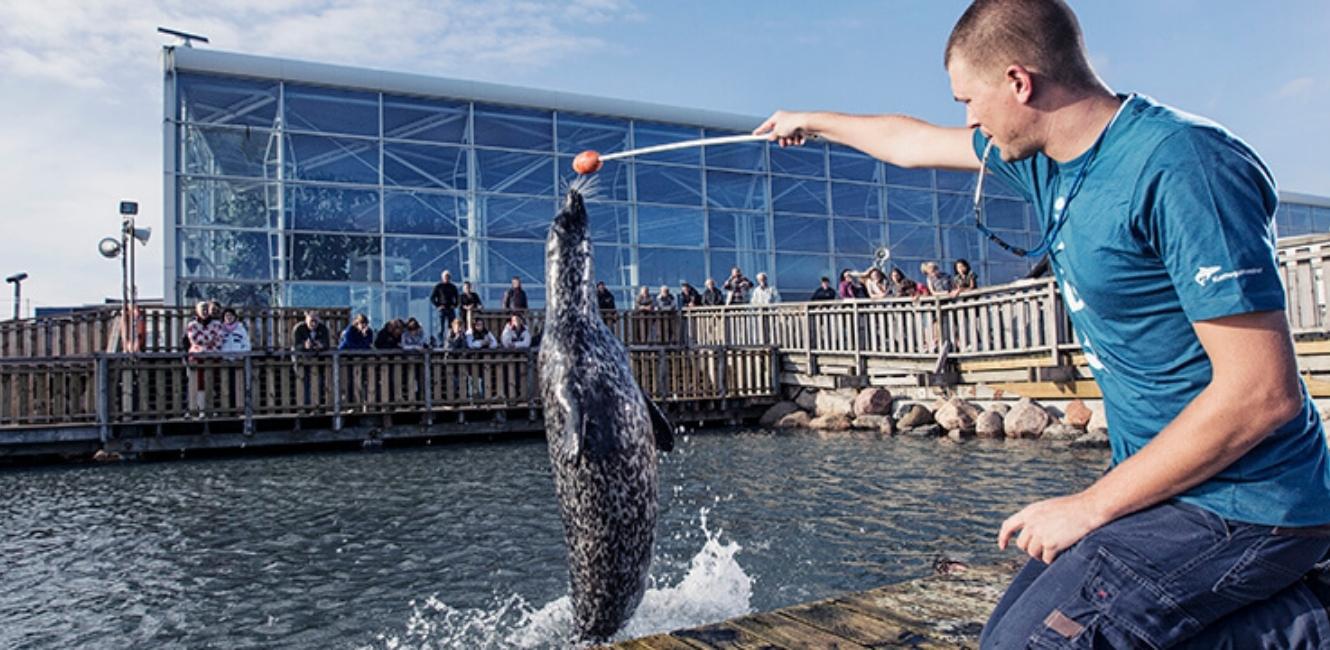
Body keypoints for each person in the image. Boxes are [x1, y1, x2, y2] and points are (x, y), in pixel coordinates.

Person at [754, 0, 1330, 646]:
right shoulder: (1042, 161)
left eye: (969, 99)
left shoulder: (1181, 166)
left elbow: (1263, 394)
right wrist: (812, 121)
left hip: (1252, 505)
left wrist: (1089, 506)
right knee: (1007, 631)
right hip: (1174, 495)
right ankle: (1290, 622)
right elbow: (912, 144)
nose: (967, 118)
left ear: (1019, 83)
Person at [430, 270, 459, 339]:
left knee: (452, 326)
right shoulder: (438, 286)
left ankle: (451, 341)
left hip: (451, 309)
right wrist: (438, 306)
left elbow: (457, 298)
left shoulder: (453, 287)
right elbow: (432, 298)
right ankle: (440, 343)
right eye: (445, 276)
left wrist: (454, 305)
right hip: (442, 309)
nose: (447, 278)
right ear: (442, 277)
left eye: (448, 276)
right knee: (440, 327)